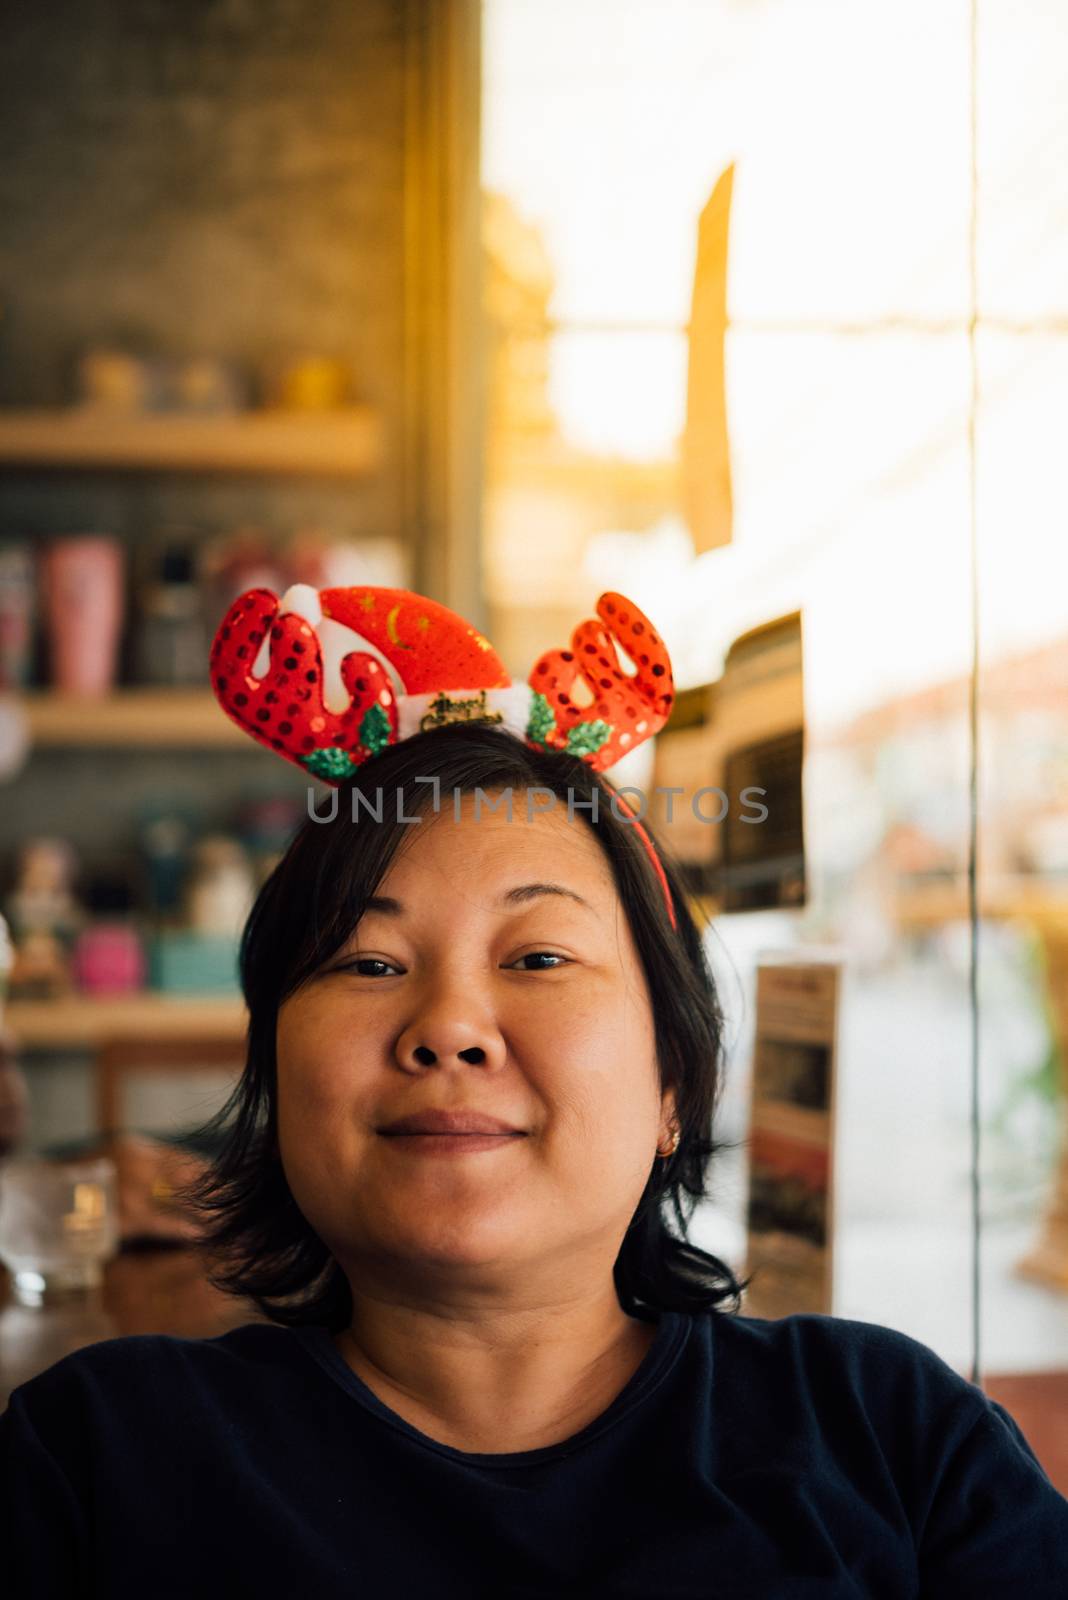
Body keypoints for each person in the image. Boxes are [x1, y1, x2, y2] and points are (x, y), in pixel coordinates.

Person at [3, 592, 1068, 1598]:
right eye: (370, 964)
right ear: (276, 1076)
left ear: (672, 1087)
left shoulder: (891, 1439)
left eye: (540, 957)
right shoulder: (96, 1467)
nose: (450, 1027)